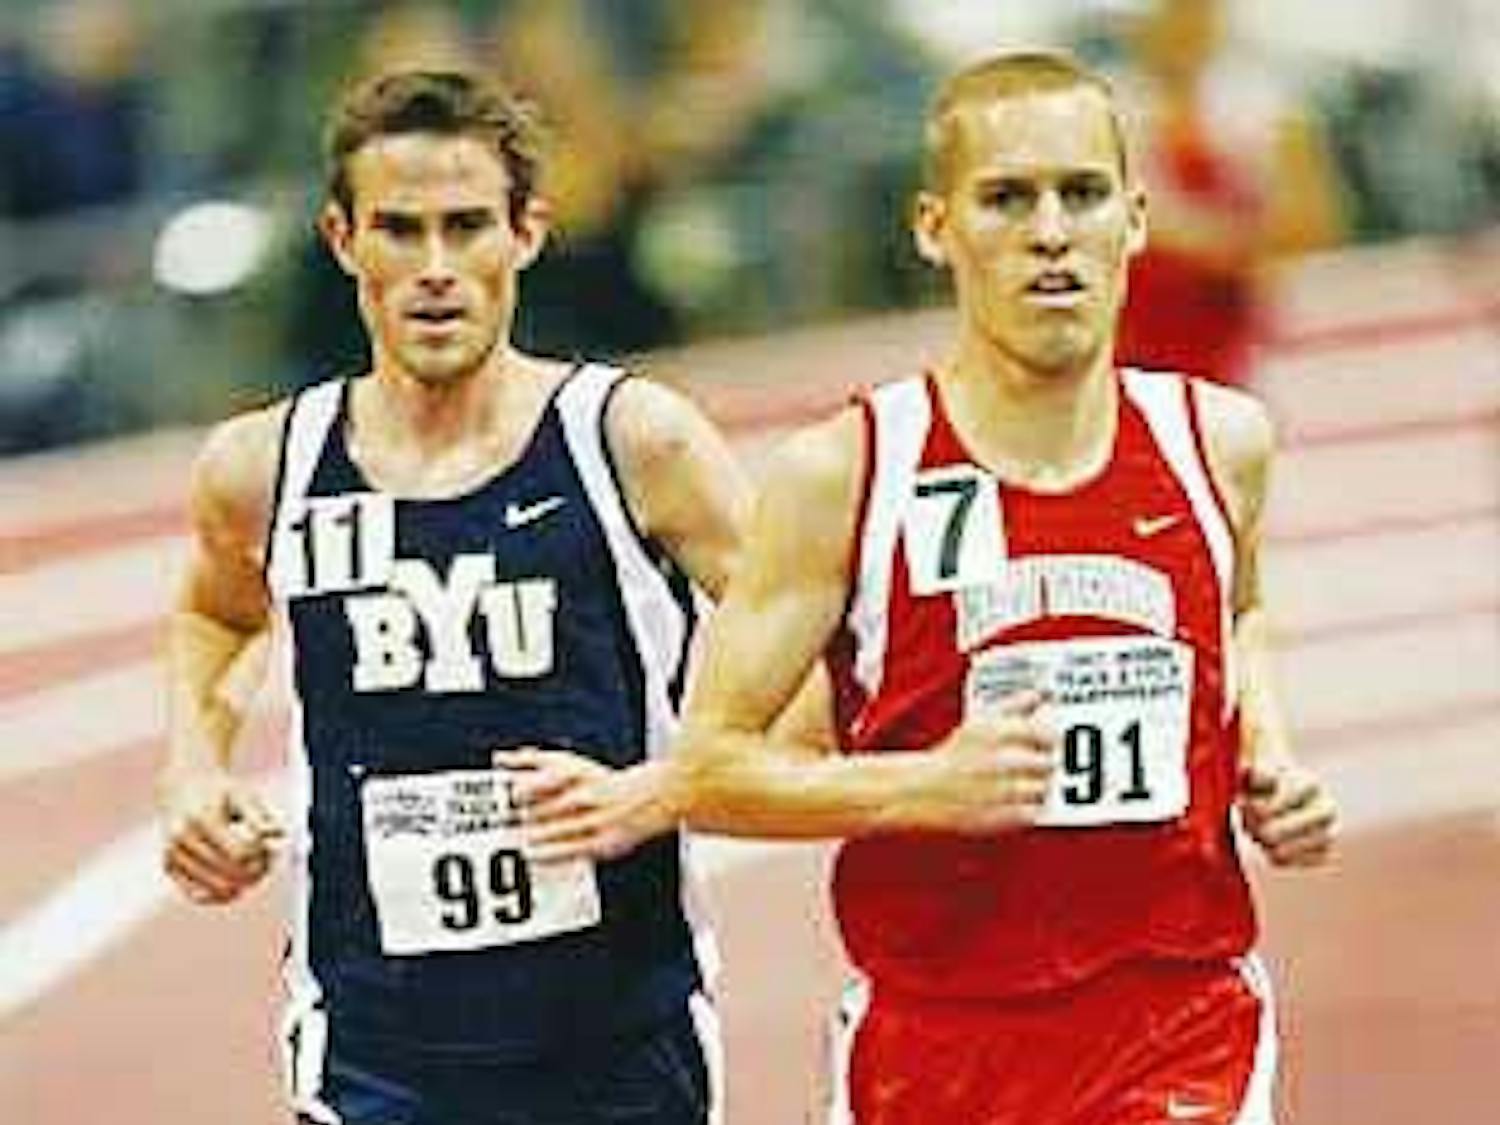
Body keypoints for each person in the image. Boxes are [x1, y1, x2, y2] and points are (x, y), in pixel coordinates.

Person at [517, 51, 1339, 1124]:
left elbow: (1238, 613)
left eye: (1082, 194)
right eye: (1006, 198)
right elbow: (709, 767)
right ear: (934, 228)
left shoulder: (1218, 442)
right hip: (934, 1042)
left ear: (1133, 220)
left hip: (1182, 1026)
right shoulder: (848, 473)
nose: (1051, 232)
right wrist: (921, 788)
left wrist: (1266, 754)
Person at [156, 68, 758, 1125]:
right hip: (376, 1044)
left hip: (619, 1037)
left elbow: (803, 668)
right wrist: (193, 769)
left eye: (467, 226)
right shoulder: (265, 465)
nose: (435, 270)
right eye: (399, 230)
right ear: (343, 241)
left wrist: (661, 789)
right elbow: (218, 610)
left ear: (528, 232)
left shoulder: (634, 443)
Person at [1109, 0, 1344, 385]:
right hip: (1137, 343)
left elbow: (1313, 224)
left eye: (1196, 12)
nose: (1184, 25)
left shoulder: (1264, 111)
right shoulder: (1112, 107)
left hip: (1232, 339)